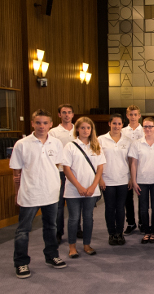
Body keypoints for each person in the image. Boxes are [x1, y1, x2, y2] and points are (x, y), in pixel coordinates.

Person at [11, 109, 67, 278]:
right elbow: (16, 173)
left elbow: (56, 165)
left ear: (50, 124)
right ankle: (21, 263)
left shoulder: (56, 143)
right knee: (23, 230)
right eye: (38, 123)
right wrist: (17, 193)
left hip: (50, 193)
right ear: (32, 123)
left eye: (45, 123)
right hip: (30, 194)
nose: (41, 126)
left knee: (51, 227)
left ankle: (52, 256)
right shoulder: (22, 144)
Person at [63, 117, 106, 258]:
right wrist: (79, 186)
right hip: (73, 190)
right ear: (77, 129)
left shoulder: (96, 145)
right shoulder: (70, 146)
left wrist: (94, 186)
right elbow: (66, 168)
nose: (85, 130)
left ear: (92, 130)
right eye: (83, 128)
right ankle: (72, 247)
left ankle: (87, 245)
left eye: (88, 128)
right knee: (74, 218)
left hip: (91, 189)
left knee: (88, 218)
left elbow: (100, 168)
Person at [129, 117, 154, 244]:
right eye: (145, 126)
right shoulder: (136, 143)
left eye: (150, 126)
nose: (148, 129)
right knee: (143, 207)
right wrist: (133, 181)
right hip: (142, 181)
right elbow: (133, 163)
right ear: (143, 128)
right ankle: (146, 232)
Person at [98, 114, 132, 246]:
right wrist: (100, 178)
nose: (117, 126)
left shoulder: (127, 141)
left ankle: (120, 233)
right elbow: (98, 161)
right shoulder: (101, 140)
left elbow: (130, 161)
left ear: (122, 125)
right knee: (110, 207)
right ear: (109, 124)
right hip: (107, 179)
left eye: (119, 124)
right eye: (114, 123)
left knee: (120, 207)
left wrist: (130, 178)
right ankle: (111, 233)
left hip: (123, 179)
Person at [48, 104, 81, 243]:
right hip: (61, 172)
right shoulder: (54, 132)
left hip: (77, 172)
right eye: (64, 112)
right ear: (59, 115)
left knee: (77, 202)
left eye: (69, 112)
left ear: (73, 115)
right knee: (60, 204)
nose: (67, 115)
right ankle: (58, 231)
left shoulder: (78, 130)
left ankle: (77, 228)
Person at [122, 105, 144, 235]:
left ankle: (142, 222)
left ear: (139, 116)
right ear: (127, 116)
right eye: (131, 114)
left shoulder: (144, 130)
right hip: (127, 168)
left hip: (142, 169)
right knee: (128, 199)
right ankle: (131, 222)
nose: (133, 117)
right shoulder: (123, 131)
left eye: (136, 114)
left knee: (142, 198)